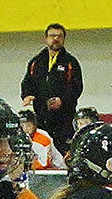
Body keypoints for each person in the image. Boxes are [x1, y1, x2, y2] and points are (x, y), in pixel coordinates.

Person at [20, 23, 83, 153]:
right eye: (52, 35)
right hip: (41, 116)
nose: (55, 39)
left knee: (64, 152)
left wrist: (63, 101)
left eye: (59, 36)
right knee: (42, 152)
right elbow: (27, 82)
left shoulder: (71, 63)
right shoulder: (36, 62)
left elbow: (77, 88)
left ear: (64, 39)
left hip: (64, 118)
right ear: (46, 39)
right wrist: (27, 95)